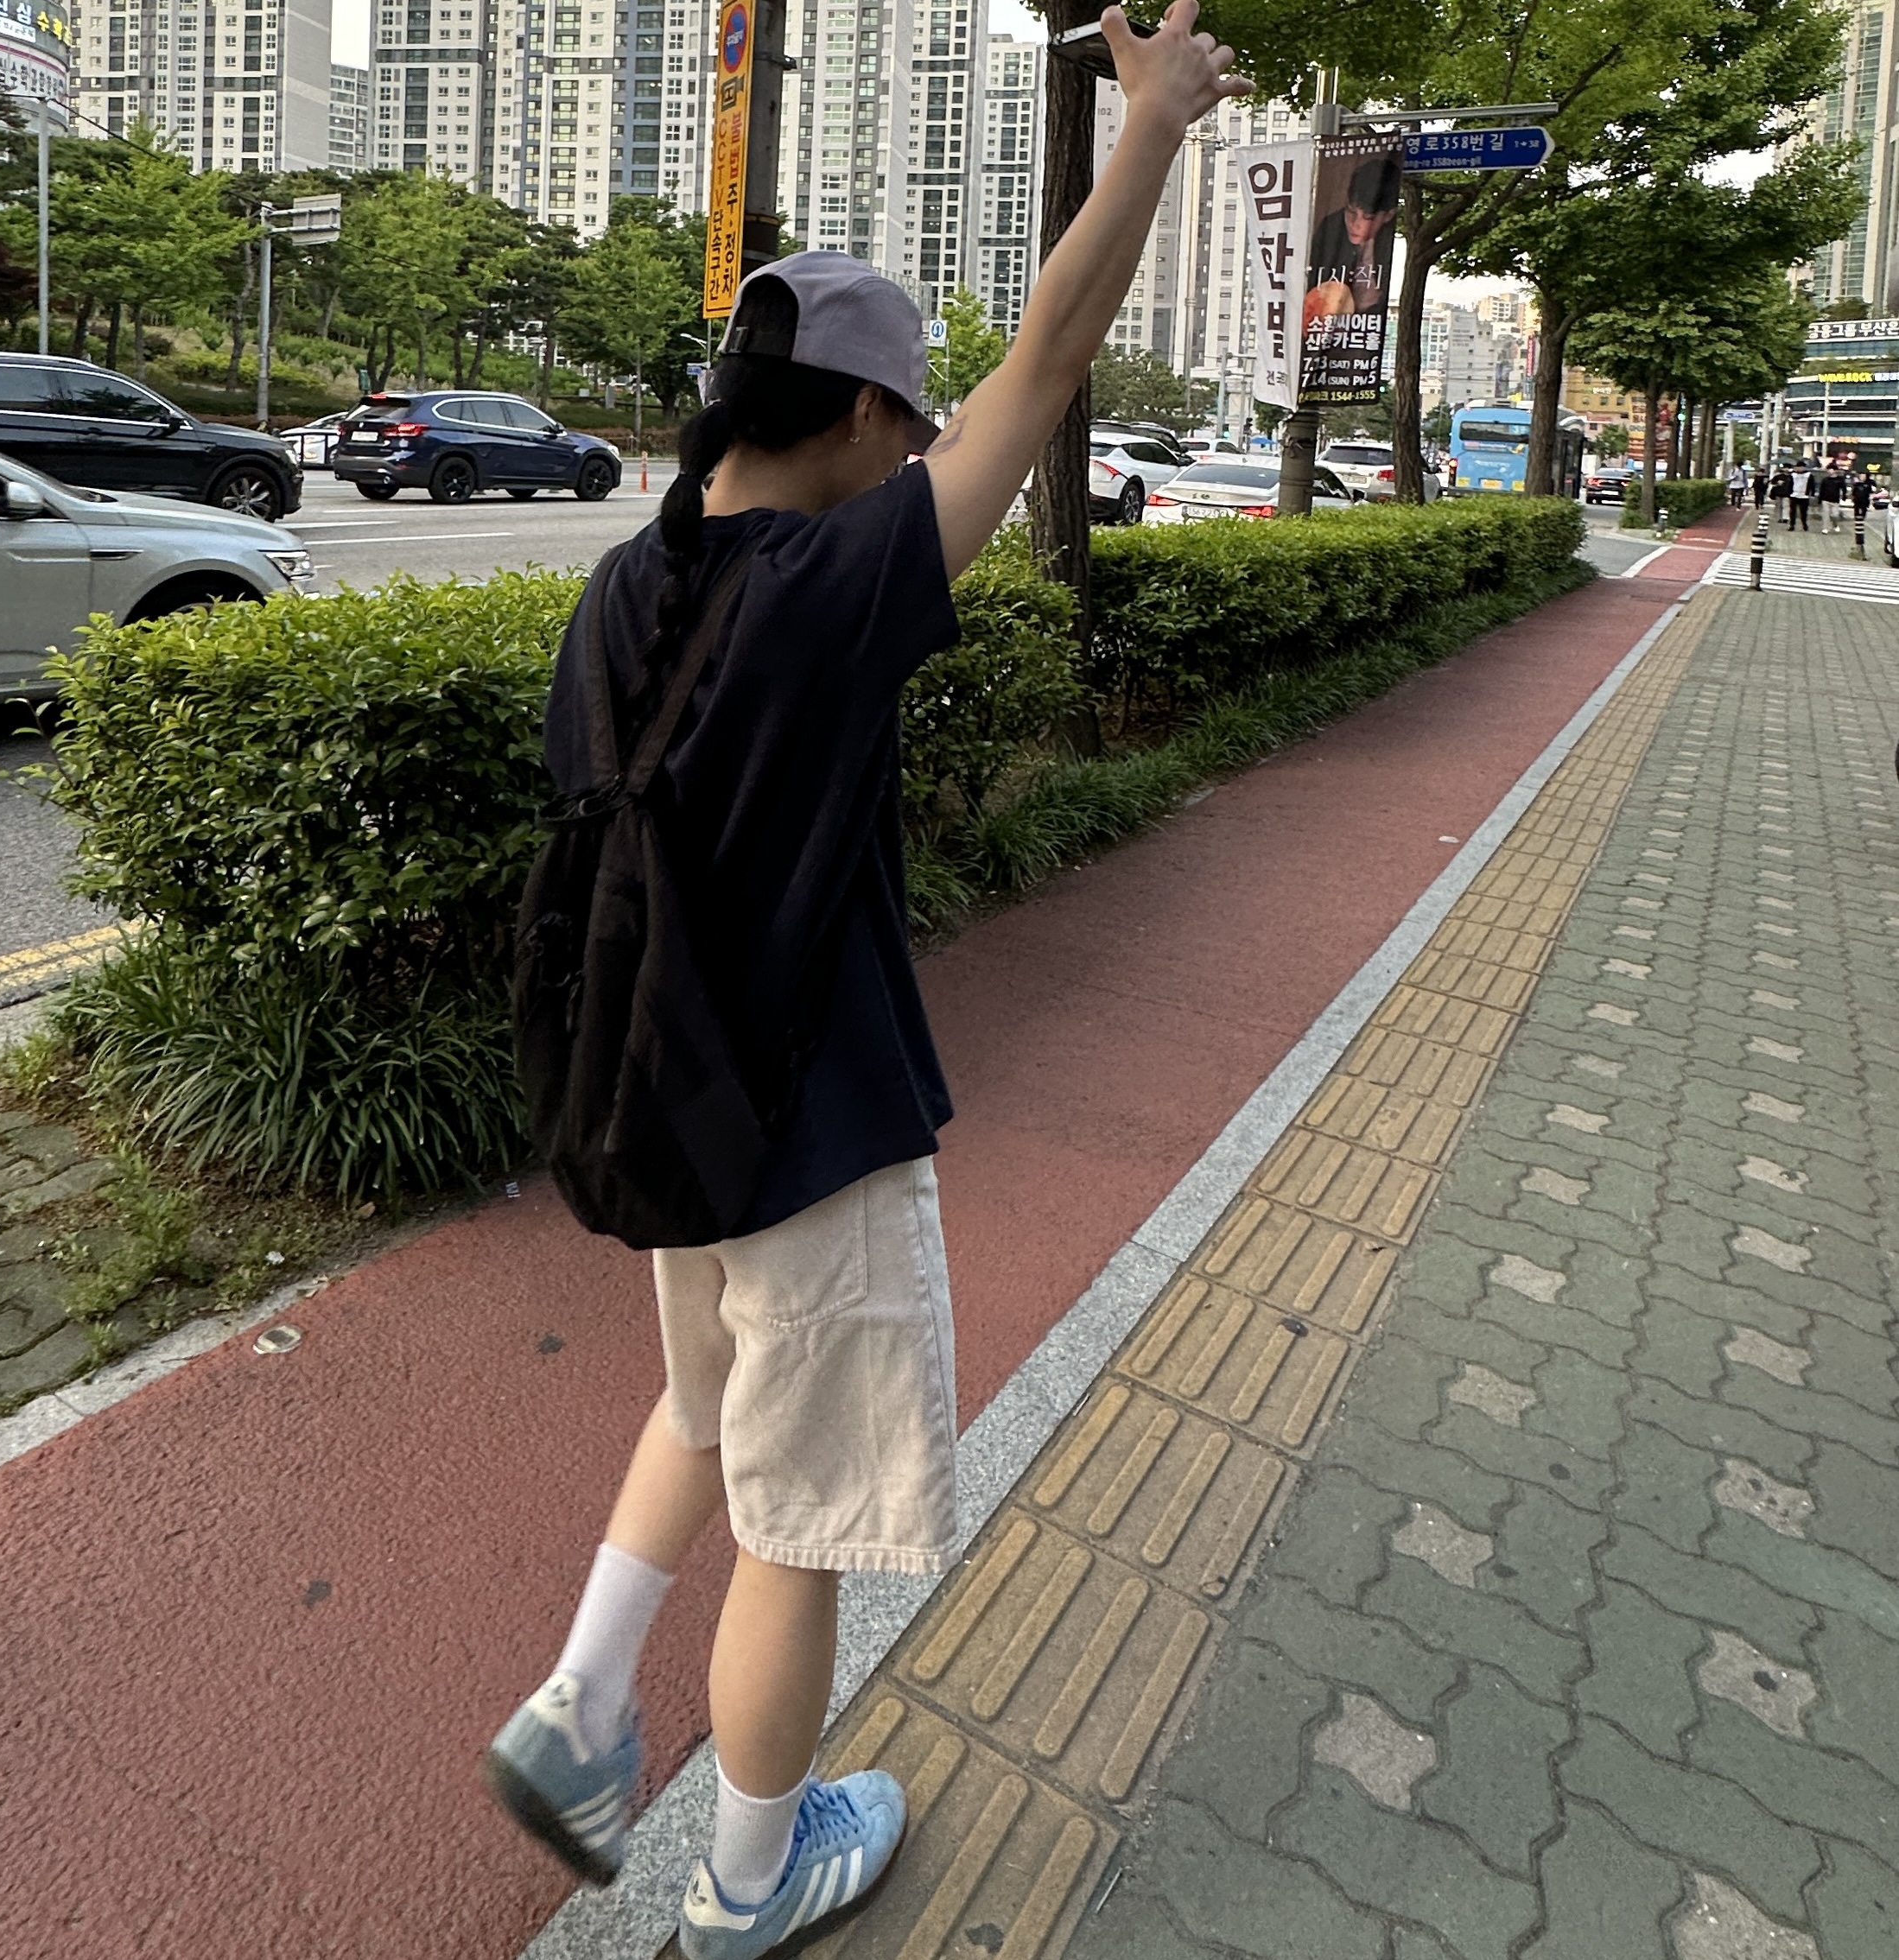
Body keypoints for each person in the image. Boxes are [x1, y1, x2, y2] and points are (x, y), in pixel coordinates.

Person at [479, 10, 1250, 1958]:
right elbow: (1052, 362)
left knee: (703, 1409)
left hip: (667, 1109)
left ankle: (581, 1702)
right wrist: (1147, 125)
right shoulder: (834, 593)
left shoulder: (622, 583)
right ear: (843, 421)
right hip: (813, 1133)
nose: (925, 453)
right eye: (909, 425)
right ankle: (748, 1880)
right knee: (800, 1530)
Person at [1305, 155, 1400, 328]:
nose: (1355, 224)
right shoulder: (1330, 229)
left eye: (1367, 217)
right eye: (1351, 212)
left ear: (1388, 215)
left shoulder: (1389, 241)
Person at [1850, 465, 1875, 557]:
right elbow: (1853, 494)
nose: (1862, 477)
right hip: (1857, 503)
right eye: (1861, 475)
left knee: (1861, 519)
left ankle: (1860, 544)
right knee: (1858, 520)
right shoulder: (1856, 485)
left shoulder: (1868, 485)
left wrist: (1871, 504)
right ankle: (1859, 544)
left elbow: (1871, 494)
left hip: (1865, 503)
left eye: (1864, 475)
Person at [1819, 459, 1848, 533]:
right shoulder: (1825, 480)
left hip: (1835, 500)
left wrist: (1844, 496)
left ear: (1835, 471)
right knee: (1826, 515)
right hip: (1825, 499)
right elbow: (1822, 489)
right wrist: (1820, 499)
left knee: (1835, 515)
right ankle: (1825, 528)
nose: (1830, 471)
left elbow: (1844, 488)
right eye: (1829, 470)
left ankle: (1835, 525)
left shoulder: (1840, 479)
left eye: (1831, 470)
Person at [1787, 460, 1813, 530]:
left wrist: (1812, 493)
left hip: (1804, 496)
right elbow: (1789, 484)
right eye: (1798, 467)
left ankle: (1804, 524)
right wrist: (1789, 493)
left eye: (1801, 467)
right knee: (1792, 512)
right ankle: (1792, 525)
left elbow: (1812, 485)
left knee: (1803, 512)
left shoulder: (1809, 475)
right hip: (1794, 495)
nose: (1799, 469)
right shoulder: (1793, 475)